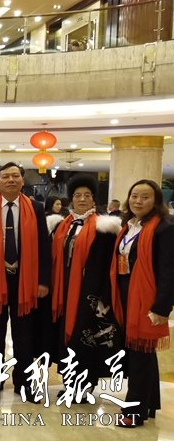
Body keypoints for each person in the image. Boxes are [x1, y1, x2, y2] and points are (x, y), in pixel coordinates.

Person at [0, 162, 51, 402]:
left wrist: (43, 281)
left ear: (22, 180)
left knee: (24, 334)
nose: (10, 180)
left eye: (15, 176)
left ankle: (24, 381)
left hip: (25, 279)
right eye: (5, 176)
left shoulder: (36, 208)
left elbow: (44, 245)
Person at [49, 175, 122, 400]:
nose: (82, 199)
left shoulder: (104, 228)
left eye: (87, 195)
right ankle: (70, 382)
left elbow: (105, 264)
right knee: (66, 337)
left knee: (85, 336)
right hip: (64, 290)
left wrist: (97, 292)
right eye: (77, 195)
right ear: (71, 199)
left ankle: (85, 385)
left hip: (91, 292)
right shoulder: (62, 226)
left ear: (93, 199)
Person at [110, 179, 174, 428]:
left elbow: (169, 271)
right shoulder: (129, 225)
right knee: (141, 353)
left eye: (145, 197)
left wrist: (161, 307)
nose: (138, 201)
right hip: (126, 293)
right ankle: (149, 403)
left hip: (146, 297)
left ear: (156, 200)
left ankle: (134, 410)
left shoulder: (164, 227)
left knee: (140, 353)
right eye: (135, 196)